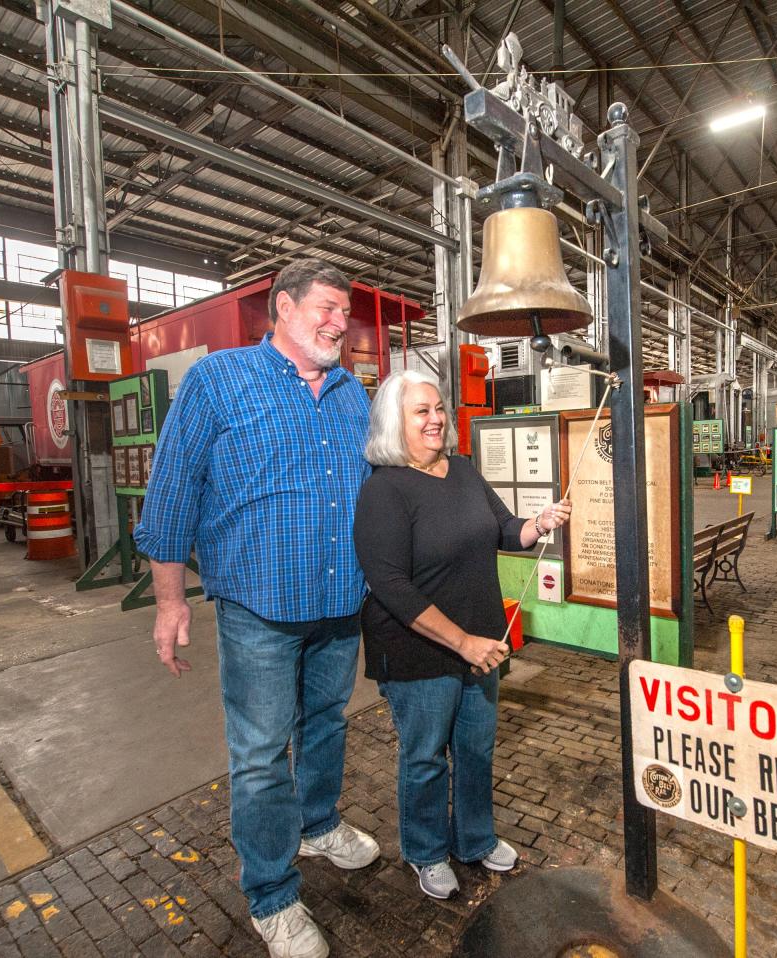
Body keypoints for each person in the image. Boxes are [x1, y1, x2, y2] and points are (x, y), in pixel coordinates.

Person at [135, 258, 378, 958]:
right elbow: (171, 493)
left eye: (345, 312)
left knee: (326, 723)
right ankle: (272, 893)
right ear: (283, 307)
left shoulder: (351, 394)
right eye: (326, 308)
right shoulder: (219, 380)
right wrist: (170, 600)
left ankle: (317, 823)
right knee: (262, 752)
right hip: (258, 609)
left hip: (340, 602)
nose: (340, 322)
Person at [353, 370, 571, 900]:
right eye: (421, 411)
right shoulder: (385, 489)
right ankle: (426, 852)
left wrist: (538, 523)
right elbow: (389, 585)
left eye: (439, 408)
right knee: (426, 757)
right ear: (393, 422)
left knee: (475, 749)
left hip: (481, 643)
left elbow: (504, 529)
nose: (436, 419)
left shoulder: (465, 470)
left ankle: (475, 840)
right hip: (418, 649)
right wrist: (462, 641)